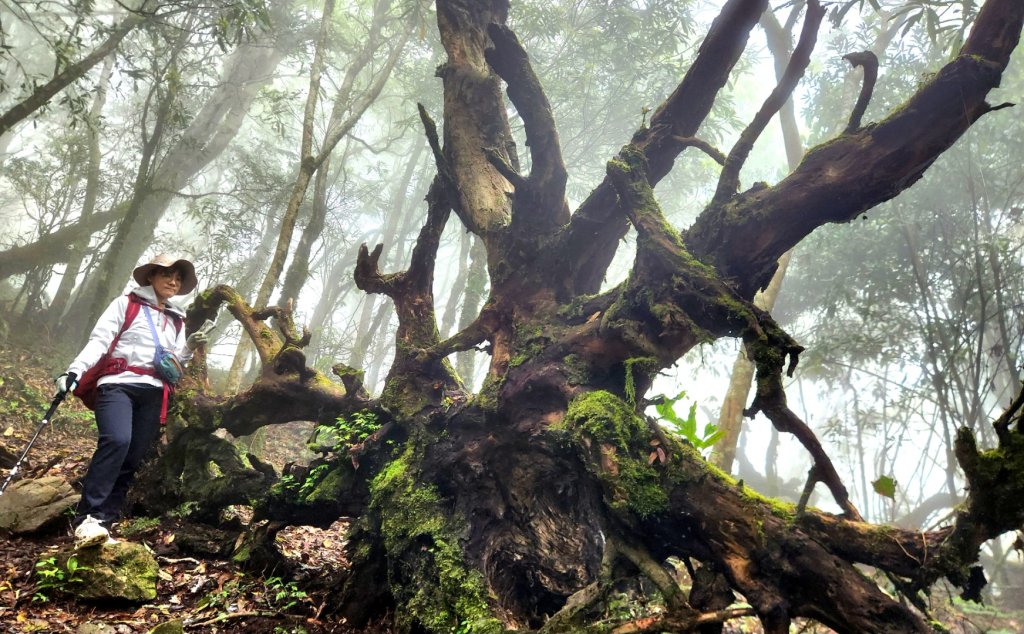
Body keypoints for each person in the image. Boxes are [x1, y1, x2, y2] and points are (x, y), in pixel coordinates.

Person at [54, 255, 208, 547]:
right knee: (117, 440)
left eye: (178, 278)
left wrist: (188, 346)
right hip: (118, 385)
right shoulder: (126, 304)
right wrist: (75, 370)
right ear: (151, 276)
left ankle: (104, 524)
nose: (173, 281)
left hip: (154, 391)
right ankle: (87, 518)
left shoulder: (177, 319)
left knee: (134, 455)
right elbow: (99, 340)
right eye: (167, 274)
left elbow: (174, 363)